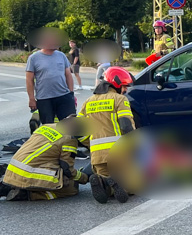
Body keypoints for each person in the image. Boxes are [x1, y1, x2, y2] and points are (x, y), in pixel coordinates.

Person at [78, 66, 135, 204]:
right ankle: (116, 184)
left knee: (106, 178)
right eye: (124, 86)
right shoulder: (119, 99)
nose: (126, 90)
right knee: (132, 187)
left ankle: (104, 183)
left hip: (97, 156)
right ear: (115, 84)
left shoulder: (88, 102)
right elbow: (126, 127)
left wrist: (90, 144)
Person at [0, 118, 89, 201]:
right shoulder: (69, 139)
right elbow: (68, 170)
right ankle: (26, 194)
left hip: (12, 171)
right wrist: (84, 177)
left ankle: (12, 186)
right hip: (27, 174)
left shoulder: (46, 127)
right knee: (71, 188)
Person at [26, 32, 76, 124]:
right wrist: (31, 99)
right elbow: (29, 80)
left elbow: (68, 75)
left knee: (70, 126)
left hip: (64, 96)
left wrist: (71, 93)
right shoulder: (33, 58)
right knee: (48, 127)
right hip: (44, 99)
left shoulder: (61, 56)